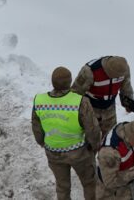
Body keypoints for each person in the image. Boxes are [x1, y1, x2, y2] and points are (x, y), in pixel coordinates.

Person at [32, 66, 102, 200]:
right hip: (79, 153)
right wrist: (94, 146)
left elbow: (36, 128)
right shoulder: (80, 101)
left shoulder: (39, 101)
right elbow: (92, 129)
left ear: (52, 82)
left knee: (62, 186)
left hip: (53, 153)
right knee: (89, 184)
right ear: (70, 81)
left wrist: (43, 142)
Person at [73, 55, 134, 134]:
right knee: (90, 136)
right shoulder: (89, 70)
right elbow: (76, 92)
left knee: (110, 135)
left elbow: (126, 87)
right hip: (90, 108)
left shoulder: (123, 68)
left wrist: (128, 104)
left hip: (110, 109)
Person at [96, 118, 134, 200]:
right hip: (111, 193)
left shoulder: (130, 129)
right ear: (132, 138)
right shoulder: (109, 152)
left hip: (126, 184)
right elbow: (110, 182)